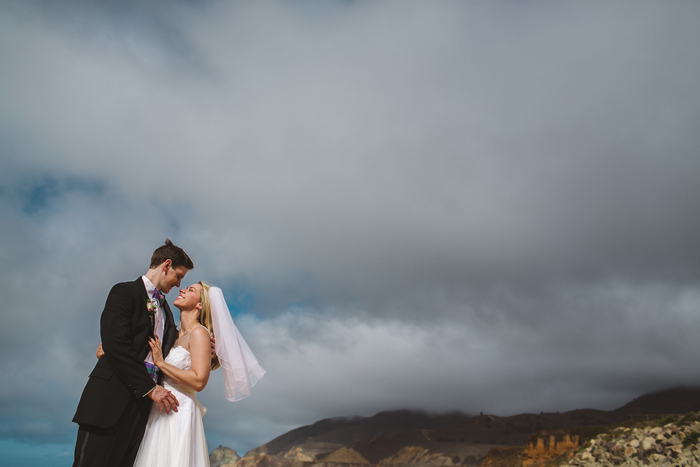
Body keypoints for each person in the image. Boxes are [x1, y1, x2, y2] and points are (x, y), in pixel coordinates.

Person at [72, 239, 194, 467]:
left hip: (142, 412)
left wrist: (203, 342)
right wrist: (150, 388)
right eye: (179, 276)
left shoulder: (166, 310)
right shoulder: (124, 292)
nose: (179, 284)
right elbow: (115, 343)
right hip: (108, 401)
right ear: (166, 265)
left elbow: (175, 347)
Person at [133, 281, 266, 467]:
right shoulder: (173, 334)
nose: (182, 289)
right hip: (160, 408)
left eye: (190, 290)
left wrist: (161, 363)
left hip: (178, 410)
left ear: (200, 305)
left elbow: (199, 381)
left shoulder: (199, 333)